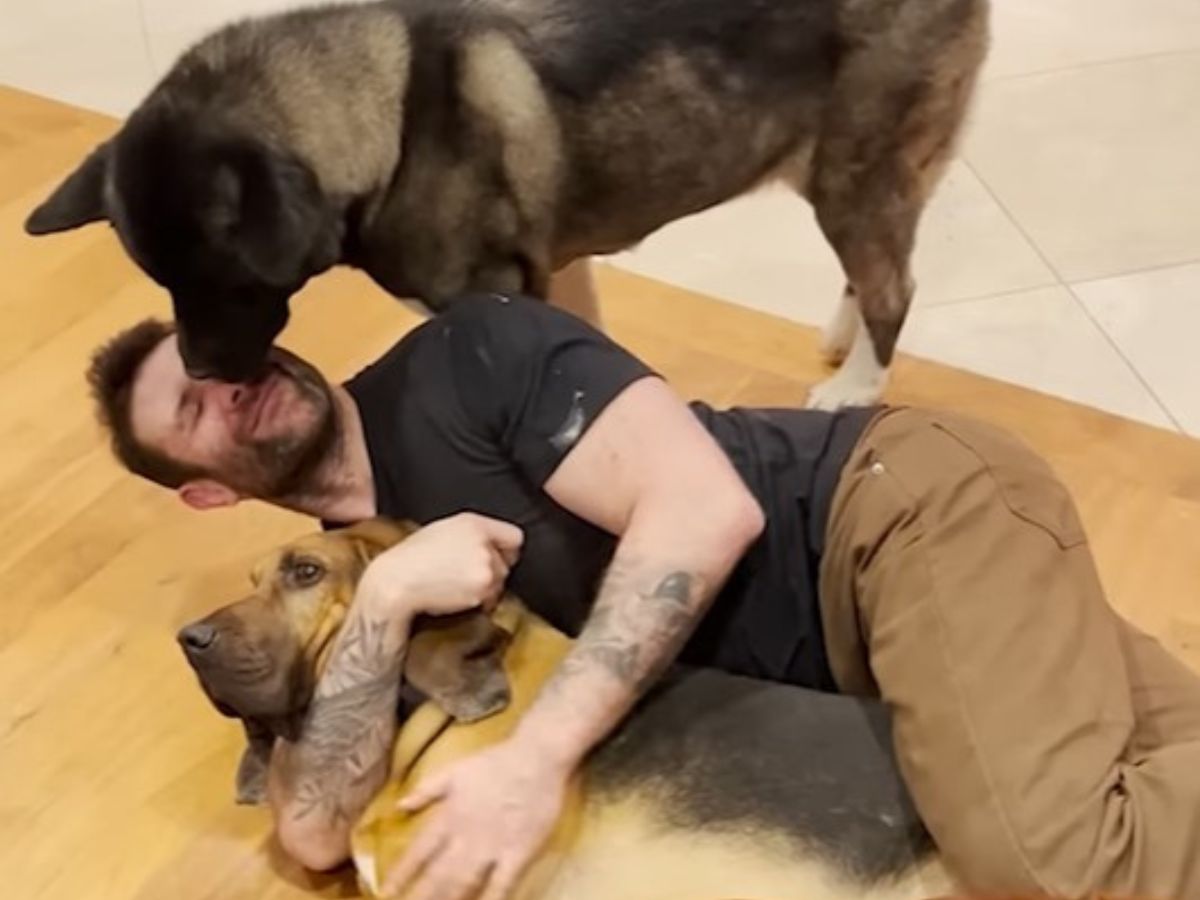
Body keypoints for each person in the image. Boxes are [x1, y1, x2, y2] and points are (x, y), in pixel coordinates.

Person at [88, 292, 1200, 900]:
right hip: (850, 678)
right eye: (194, 410)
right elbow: (317, 835)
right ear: (201, 496)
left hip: (884, 519)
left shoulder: (470, 358)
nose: (231, 390)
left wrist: (535, 762)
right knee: (1148, 760)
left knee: (1054, 863)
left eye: (216, 361)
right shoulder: (340, 581)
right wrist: (380, 605)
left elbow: (708, 514)